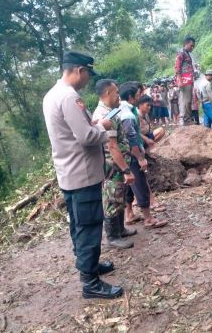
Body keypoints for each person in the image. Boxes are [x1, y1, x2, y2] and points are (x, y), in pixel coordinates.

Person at [43, 51, 123, 299]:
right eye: (88, 73)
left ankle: (88, 264)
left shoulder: (51, 95)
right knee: (88, 226)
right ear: (79, 70)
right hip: (82, 173)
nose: (88, 79)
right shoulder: (69, 98)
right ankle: (90, 282)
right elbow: (87, 137)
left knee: (78, 224)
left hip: (68, 173)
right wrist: (103, 127)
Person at [92, 79, 137, 250]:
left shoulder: (111, 111)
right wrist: (125, 169)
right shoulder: (103, 115)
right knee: (112, 198)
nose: (119, 95)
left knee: (119, 196)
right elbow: (112, 145)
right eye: (116, 92)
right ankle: (112, 236)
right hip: (113, 166)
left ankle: (120, 230)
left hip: (119, 163)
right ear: (107, 94)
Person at [118, 82, 168, 228]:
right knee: (140, 183)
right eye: (138, 95)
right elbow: (132, 137)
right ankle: (148, 219)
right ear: (131, 97)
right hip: (131, 155)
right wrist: (140, 157)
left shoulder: (119, 110)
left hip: (124, 155)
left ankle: (129, 215)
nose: (139, 98)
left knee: (128, 186)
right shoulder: (128, 114)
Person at [174, 36, 195, 126]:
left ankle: (188, 118)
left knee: (189, 100)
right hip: (185, 80)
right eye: (191, 45)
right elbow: (177, 67)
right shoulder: (181, 53)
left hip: (189, 79)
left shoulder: (187, 53)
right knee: (187, 100)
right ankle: (187, 120)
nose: (192, 48)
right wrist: (180, 80)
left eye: (193, 46)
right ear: (186, 44)